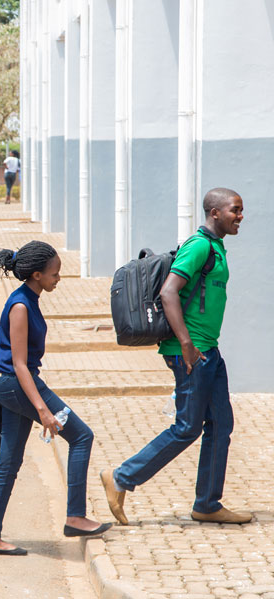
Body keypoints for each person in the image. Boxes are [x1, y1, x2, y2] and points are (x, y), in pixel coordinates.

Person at [100, 188, 249, 526]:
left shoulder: (215, 248)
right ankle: (121, 477)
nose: (240, 216)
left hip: (207, 348)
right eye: (235, 210)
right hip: (192, 351)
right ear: (214, 212)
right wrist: (185, 344)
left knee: (221, 424)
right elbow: (169, 292)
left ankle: (207, 504)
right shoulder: (199, 246)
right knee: (186, 427)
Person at [0, 241, 109, 556]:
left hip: (13, 384)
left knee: (9, 462)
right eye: (55, 274)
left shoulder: (29, 298)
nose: (58, 279)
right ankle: (75, 517)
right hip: (14, 384)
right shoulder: (21, 306)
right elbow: (20, 364)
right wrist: (43, 410)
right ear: (36, 275)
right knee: (81, 436)